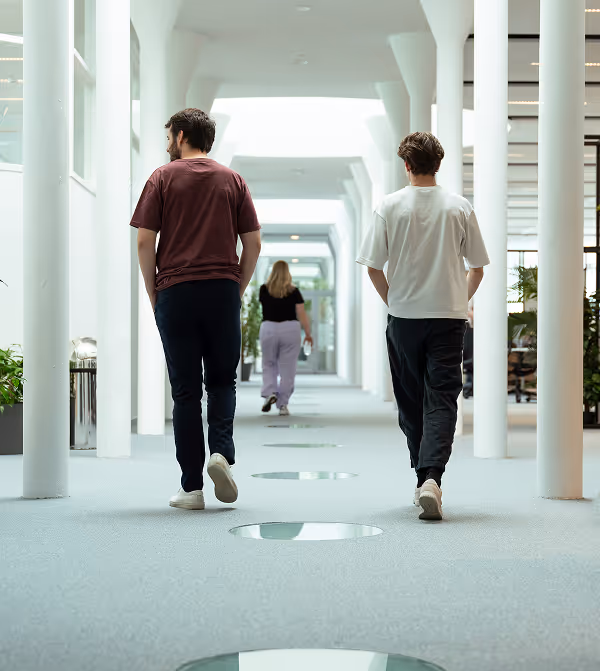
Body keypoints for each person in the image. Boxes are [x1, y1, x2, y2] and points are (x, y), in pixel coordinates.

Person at [131, 108, 261, 511]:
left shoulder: (162, 177)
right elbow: (253, 243)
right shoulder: (232, 180)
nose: (167, 142)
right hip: (222, 289)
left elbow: (143, 242)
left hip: (176, 290)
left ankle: (191, 489)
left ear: (182, 135)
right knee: (222, 382)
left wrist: (155, 292)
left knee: (185, 392)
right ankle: (220, 453)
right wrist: (235, 289)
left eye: (169, 134)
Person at [356, 132, 489, 521]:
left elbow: (374, 267)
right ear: (438, 164)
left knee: (411, 401)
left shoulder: (389, 206)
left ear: (407, 165)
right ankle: (430, 477)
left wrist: (394, 300)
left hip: (404, 318)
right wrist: (458, 300)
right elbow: (477, 268)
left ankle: (424, 476)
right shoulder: (459, 207)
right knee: (443, 397)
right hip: (449, 319)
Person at [259, 260, 313, 416]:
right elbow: (301, 313)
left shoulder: (264, 289)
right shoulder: (294, 291)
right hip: (290, 329)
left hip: (268, 327)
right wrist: (308, 334)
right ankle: (283, 405)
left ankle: (270, 392)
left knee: (268, 363)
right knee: (287, 368)